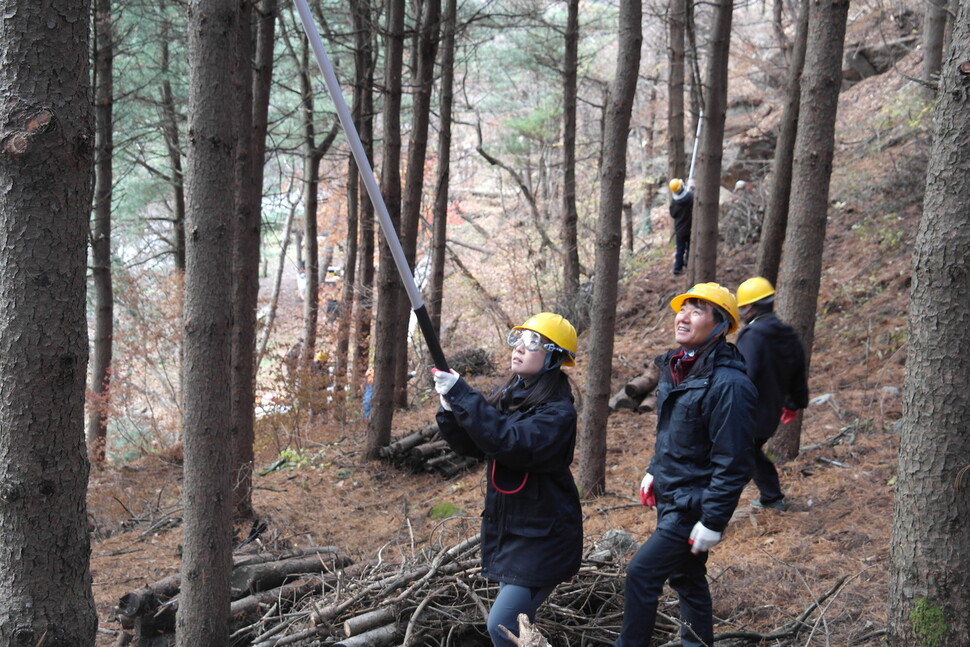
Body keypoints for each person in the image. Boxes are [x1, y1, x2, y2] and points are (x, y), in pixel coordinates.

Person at [616, 283, 756, 647]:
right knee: (687, 580)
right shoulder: (677, 369)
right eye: (683, 309)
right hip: (671, 494)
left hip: (693, 505)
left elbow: (734, 461)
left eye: (697, 311)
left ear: (720, 325)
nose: (683, 317)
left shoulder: (729, 384)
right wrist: (653, 469)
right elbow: (673, 435)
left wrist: (713, 520)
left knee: (641, 573)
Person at [432, 313, 583, 647]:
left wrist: (462, 394)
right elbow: (475, 444)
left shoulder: (557, 413)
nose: (519, 348)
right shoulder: (512, 398)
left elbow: (510, 442)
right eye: (518, 338)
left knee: (502, 625)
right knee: (520, 628)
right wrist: (450, 408)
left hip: (545, 540)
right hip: (514, 533)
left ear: (554, 357)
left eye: (532, 343)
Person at [735, 276, 810, 511]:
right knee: (751, 452)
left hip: (748, 412)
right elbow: (798, 372)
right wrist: (794, 403)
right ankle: (772, 497)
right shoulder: (787, 333)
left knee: (736, 457)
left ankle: (713, 509)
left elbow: (742, 376)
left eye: (741, 307)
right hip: (770, 413)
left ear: (749, 307)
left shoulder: (753, 335)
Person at [669, 177, 694, 276]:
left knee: (680, 249)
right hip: (690, 228)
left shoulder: (674, 203)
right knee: (690, 248)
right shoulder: (690, 197)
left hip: (679, 230)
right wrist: (692, 187)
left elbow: (673, 214)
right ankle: (688, 263)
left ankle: (677, 268)